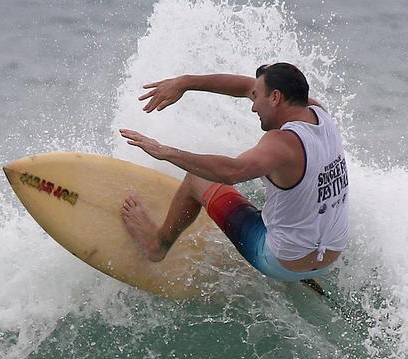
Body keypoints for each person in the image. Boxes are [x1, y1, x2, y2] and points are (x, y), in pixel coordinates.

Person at [119, 62, 349, 282]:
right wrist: (185, 82)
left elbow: (231, 172)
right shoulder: (318, 114)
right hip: (331, 253)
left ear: (276, 97)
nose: (253, 105)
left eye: (257, 97)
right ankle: (300, 270)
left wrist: (164, 152)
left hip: (282, 261)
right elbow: (246, 86)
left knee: (198, 177)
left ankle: (157, 245)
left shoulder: (282, 144)